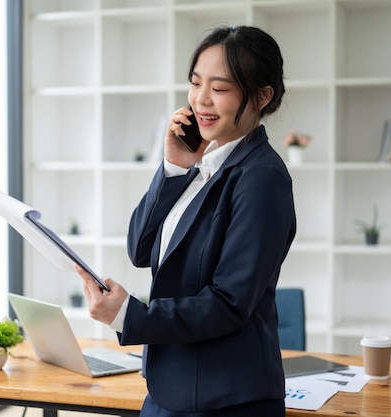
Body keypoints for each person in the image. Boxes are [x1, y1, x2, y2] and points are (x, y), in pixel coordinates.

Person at [76, 25, 295, 417]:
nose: (201, 100)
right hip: (169, 388)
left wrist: (129, 315)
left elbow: (229, 303)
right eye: (196, 83)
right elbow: (140, 249)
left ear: (263, 96)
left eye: (221, 88)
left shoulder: (262, 178)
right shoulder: (201, 167)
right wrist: (173, 168)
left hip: (226, 400)